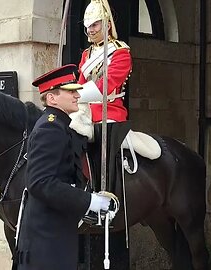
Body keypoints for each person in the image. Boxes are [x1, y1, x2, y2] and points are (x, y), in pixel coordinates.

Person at [15, 64, 112, 270]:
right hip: (46, 244)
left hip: (52, 238)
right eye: (71, 91)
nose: (78, 95)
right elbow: (40, 183)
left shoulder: (58, 125)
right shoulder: (51, 128)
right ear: (52, 98)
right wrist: (90, 201)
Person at [76, 0, 132, 192]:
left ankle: (104, 195)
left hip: (110, 112)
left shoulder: (121, 53)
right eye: (87, 26)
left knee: (102, 147)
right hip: (86, 110)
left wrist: (75, 95)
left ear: (107, 24)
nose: (90, 30)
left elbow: (105, 86)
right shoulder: (87, 54)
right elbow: (81, 83)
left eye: (94, 25)